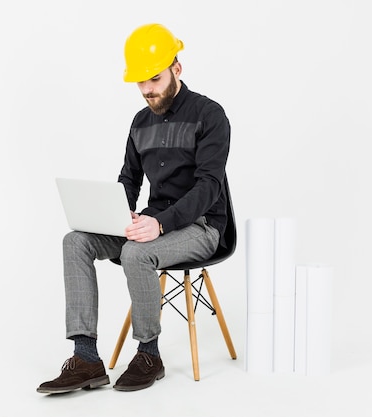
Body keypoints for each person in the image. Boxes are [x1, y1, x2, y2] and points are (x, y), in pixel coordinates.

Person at [37, 23, 231, 394]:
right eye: (139, 82)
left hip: (203, 227)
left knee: (136, 253)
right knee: (74, 241)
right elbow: (129, 179)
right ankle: (86, 359)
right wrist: (116, 212)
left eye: (153, 79)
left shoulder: (210, 115)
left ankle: (148, 354)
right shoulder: (140, 123)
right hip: (153, 223)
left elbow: (209, 187)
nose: (146, 90)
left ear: (177, 68)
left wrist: (159, 224)